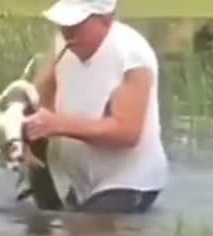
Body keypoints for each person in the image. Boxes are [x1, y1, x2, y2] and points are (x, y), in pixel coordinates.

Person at [24, 0, 169, 214]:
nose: (67, 32)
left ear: (106, 19)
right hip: (81, 181)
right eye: (64, 24)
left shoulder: (131, 55)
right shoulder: (61, 45)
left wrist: (57, 125)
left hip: (130, 182)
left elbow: (127, 133)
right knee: (47, 232)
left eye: (76, 24)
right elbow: (39, 99)